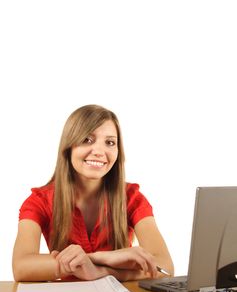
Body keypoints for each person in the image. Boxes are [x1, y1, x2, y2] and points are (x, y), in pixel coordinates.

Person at [12, 104, 174, 282]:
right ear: (69, 147)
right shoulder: (39, 201)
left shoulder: (132, 198)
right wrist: (97, 258)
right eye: (87, 140)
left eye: (110, 142)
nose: (99, 151)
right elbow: (21, 267)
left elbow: (165, 267)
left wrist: (104, 271)